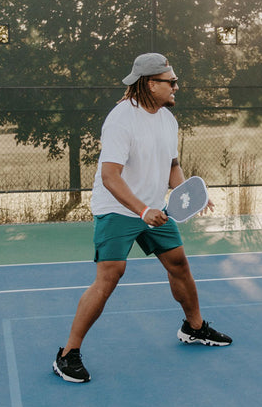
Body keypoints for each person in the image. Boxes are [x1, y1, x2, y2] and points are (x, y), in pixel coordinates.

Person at [53, 53, 232, 383]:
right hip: (118, 208)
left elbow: (173, 166)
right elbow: (110, 176)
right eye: (171, 81)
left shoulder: (167, 119)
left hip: (153, 209)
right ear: (151, 84)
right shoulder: (122, 120)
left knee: (178, 262)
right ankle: (67, 354)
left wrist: (187, 194)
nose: (177, 86)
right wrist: (142, 211)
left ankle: (194, 328)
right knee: (111, 274)